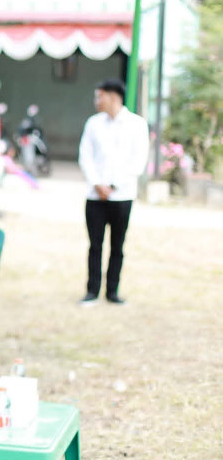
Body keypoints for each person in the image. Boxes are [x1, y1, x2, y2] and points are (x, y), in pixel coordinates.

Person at [78, 79, 149, 305]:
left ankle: (112, 291)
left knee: (117, 245)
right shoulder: (93, 123)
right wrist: (98, 184)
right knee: (95, 245)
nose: (96, 101)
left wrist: (113, 185)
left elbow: (138, 161)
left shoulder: (137, 124)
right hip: (95, 195)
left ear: (113, 97)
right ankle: (92, 290)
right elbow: (85, 156)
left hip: (122, 196)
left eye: (100, 96)